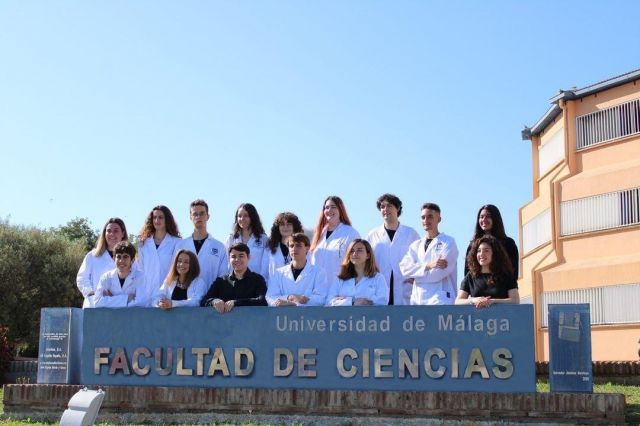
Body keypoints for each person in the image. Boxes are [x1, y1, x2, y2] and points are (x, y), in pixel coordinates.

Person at [399, 203, 458, 305]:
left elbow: (438, 274)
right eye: (423, 217)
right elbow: (404, 269)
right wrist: (428, 266)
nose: (426, 221)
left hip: (440, 300)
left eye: (430, 217)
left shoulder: (448, 242)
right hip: (418, 300)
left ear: (439, 219)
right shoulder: (415, 245)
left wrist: (415, 275)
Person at [367, 193, 420, 305]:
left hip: (404, 289)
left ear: (398, 208)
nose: (385, 209)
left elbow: (420, 259)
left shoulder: (411, 234)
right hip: (378, 288)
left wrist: (415, 278)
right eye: (382, 207)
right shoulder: (372, 235)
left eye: (389, 206)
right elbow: (366, 262)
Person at [174, 199, 227, 292]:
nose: (198, 217)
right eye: (195, 214)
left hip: (210, 301)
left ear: (208, 216)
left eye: (202, 213)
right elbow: (174, 273)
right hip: (185, 300)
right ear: (190, 217)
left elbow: (223, 276)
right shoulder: (181, 245)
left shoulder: (219, 247)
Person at [76, 217, 128, 308]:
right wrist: (92, 293)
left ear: (123, 233)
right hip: (94, 307)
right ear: (104, 234)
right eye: (108, 231)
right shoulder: (92, 256)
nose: (112, 234)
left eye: (116, 231)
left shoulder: (131, 258)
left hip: (120, 308)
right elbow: (82, 278)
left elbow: (134, 281)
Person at [200, 243, 267, 313]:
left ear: (248, 257)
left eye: (241, 256)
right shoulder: (221, 281)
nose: (237, 259)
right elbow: (204, 301)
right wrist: (214, 301)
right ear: (229, 259)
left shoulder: (257, 279)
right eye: (233, 256)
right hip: (226, 322)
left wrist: (236, 303)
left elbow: (262, 301)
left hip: (250, 322)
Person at [456, 235, 520, 308]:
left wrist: (492, 301)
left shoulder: (506, 275)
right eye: (479, 251)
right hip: (477, 319)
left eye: (486, 250)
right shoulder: (470, 276)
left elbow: (515, 300)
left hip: (502, 318)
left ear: (495, 254)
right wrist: (473, 300)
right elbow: (458, 301)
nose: (481, 254)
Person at [266, 233, 328, 307]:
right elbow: (270, 297)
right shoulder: (278, 273)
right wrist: (289, 297)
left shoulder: (319, 272)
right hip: (282, 317)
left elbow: (321, 299)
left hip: (309, 317)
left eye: (298, 246)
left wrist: (296, 303)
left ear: (307, 248)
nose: (294, 249)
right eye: (291, 246)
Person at [310, 196, 360, 281]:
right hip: (317, 289)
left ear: (340, 210)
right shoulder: (319, 234)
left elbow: (358, 264)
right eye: (327, 207)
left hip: (339, 289)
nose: (329, 210)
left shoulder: (350, 233)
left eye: (333, 207)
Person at [326, 239, 388, 306]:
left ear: (368, 255)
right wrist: (352, 302)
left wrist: (342, 300)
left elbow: (382, 302)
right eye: (352, 251)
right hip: (343, 316)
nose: (355, 254)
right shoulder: (340, 279)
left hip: (368, 316)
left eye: (359, 250)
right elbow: (329, 302)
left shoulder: (378, 278)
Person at [464, 204, 519, 279]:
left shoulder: (508, 243)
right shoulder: (473, 245)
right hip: (478, 289)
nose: (484, 220)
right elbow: (467, 273)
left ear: (495, 219)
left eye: (488, 216)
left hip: (501, 288)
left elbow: (513, 273)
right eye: (481, 217)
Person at [138, 205, 181, 298]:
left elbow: (177, 270)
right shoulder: (144, 243)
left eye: (160, 217)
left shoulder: (176, 242)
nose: (157, 220)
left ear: (167, 220)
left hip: (167, 294)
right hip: (146, 295)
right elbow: (140, 270)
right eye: (154, 217)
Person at [93, 241, 148, 308]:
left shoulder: (140, 277)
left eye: (125, 257)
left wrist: (110, 299)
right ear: (114, 259)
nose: (121, 261)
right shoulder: (106, 277)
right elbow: (97, 302)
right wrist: (127, 299)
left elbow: (141, 303)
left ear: (132, 260)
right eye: (118, 257)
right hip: (111, 317)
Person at [224, 203, 269, 278]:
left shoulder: (263, 239)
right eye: (239, 216)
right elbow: (226, 262)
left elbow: (266, 265)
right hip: (235, 283)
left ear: (253, 217)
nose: (242, 219)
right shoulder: (231, 238)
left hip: (256, 283)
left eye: (246, 215)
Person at [262, 212, 304, 283]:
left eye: (289, 224)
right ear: (277, 227)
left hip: (297, 291)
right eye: (282, 224)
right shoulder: (269, 248)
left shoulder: (303, 247)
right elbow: (264, 274)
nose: (285, 227)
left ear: (294, 227)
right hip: (274, 291)